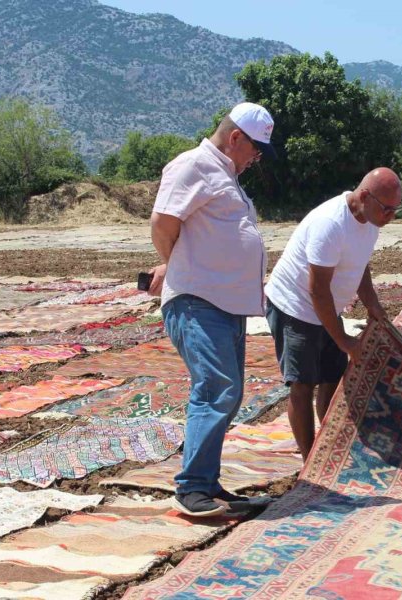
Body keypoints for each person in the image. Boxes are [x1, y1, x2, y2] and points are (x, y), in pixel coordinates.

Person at [147, 102, 278, 517]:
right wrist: (179, 267)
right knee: (216, 388)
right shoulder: (193, 165)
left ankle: (207, 482)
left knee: (228, 391)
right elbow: (163, 224)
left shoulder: (226, 175)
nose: (256, 158)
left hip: (224, 303)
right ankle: (192, 489)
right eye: (255, 149)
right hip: (197, 299)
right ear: (235, 137)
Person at [265, 168, 402, 458]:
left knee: (332, 377)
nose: (391, 216)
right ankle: (309, 461)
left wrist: (372, 304)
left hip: (325, 306)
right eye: (388, 208)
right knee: (302, 384)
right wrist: (344, 340)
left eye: (396, 209)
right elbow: (317, 290)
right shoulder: (330, 224)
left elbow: (360, 264)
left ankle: (329, 446)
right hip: (295, 306)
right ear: (365, 196)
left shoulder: (370, 219)